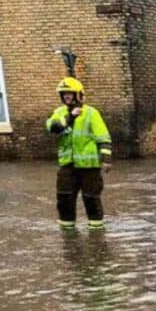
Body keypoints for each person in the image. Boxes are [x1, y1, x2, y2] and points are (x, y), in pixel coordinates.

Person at [46, 77, 112, 229]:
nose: (67, 97)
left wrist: (106, 159)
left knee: (91, 199)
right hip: (67, 165)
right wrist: (71, 116)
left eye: (70, 93)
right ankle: (68, 235)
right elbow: (52, 127)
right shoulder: (58, 112)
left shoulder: (91, 113)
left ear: (78, 94)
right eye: (64, 94)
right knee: (64, 199)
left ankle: (96, 234)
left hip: (89, 166)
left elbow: (103, 137)